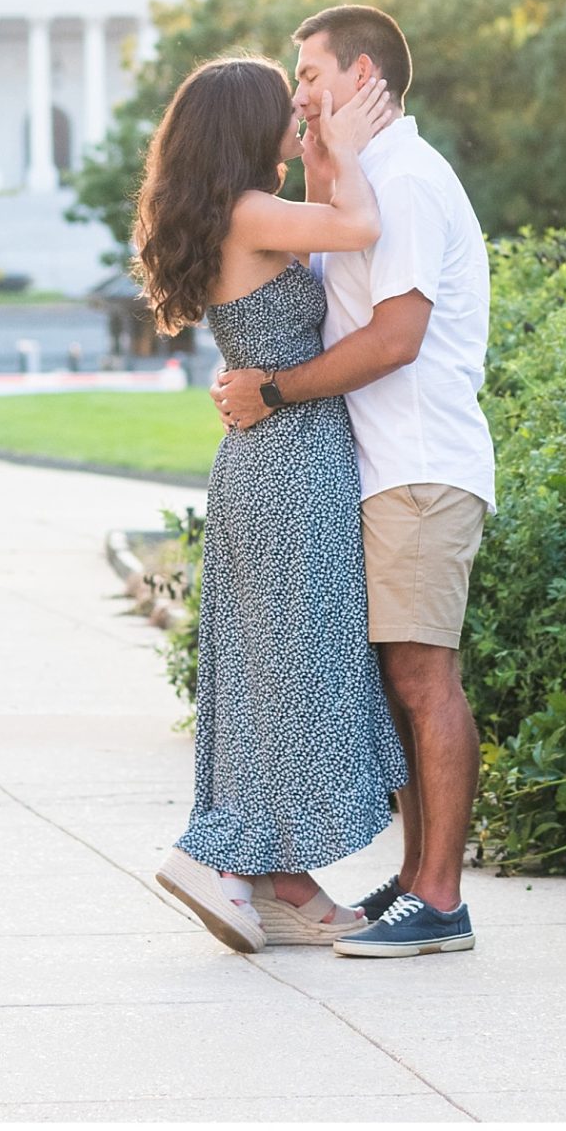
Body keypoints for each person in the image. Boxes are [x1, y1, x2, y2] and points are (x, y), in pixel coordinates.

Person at [213, 5, 493, 959]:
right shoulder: (372, 180)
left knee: (425, 678)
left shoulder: (407, 182)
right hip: (380, 472)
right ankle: (418, 884)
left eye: (312, 77)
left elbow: (395, 338)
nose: (299, 95)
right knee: (398, 680)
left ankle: (443, 899)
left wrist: (274, 391)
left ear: (363, 74)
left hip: (420, 464)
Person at [143, 55, 409, 954]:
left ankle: (284, 882)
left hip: (267, 459)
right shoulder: (251, 214)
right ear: (249, 132)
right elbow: (362, 223)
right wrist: (341, 142)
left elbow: (333, 223)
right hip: (288, 463)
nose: (297, 125)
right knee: (294, 674)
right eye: (285, 116)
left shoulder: (235, 215)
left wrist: (330, 150)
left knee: (273, 675)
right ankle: (218, 855)